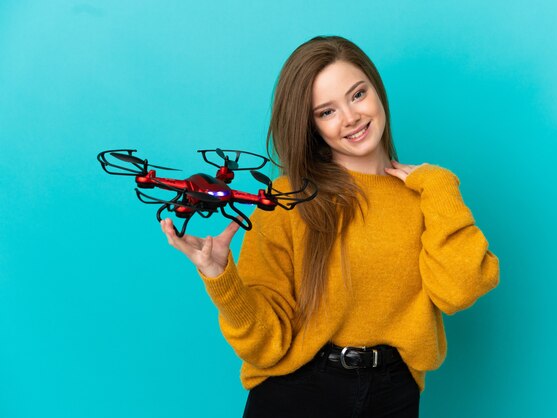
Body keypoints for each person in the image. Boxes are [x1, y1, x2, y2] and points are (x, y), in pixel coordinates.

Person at [160, 35, 499, 418]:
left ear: (377, 90)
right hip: (297, 391)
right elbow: (266, 344)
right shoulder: (287, 199)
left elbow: (460, 290)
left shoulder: (426, 194)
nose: (351, 118)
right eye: (326, 112)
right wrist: (221, 278)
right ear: (311, 126)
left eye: (357, 95)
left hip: (394, 393)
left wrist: (439, 184)